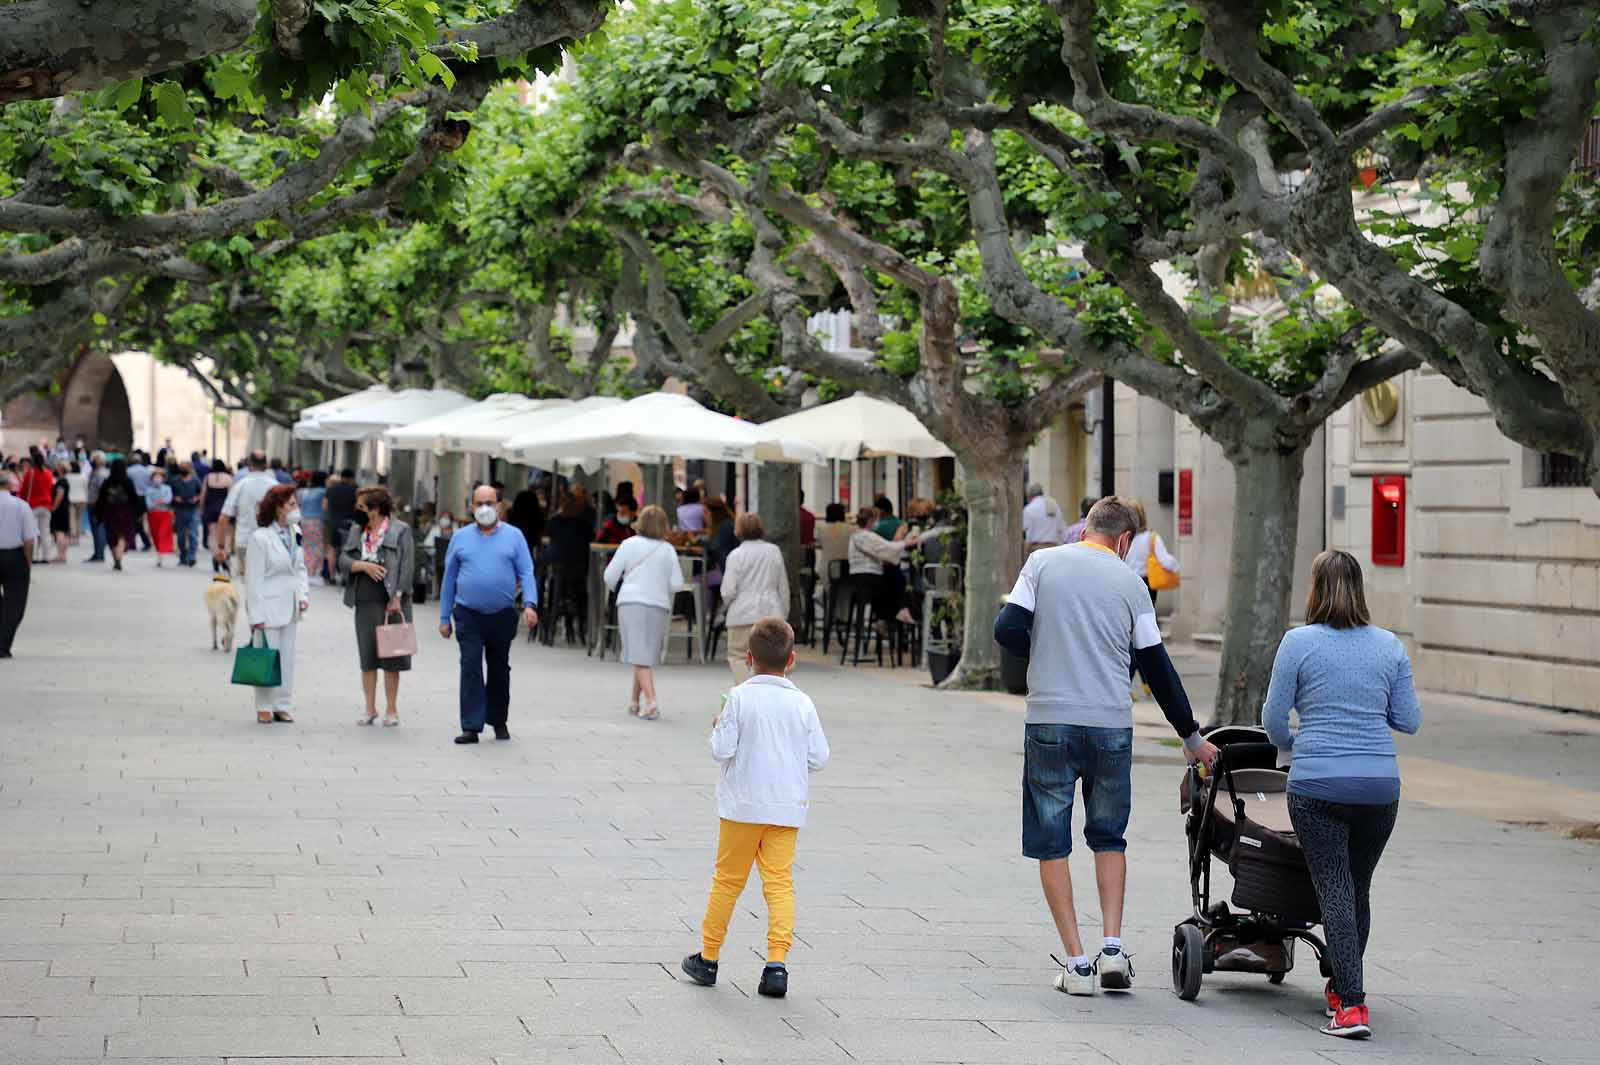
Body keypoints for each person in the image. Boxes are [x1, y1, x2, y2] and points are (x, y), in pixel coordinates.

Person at [991, 496, 1218, 997]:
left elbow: (1006, 629)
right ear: (1123, 541)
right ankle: (1112, 949)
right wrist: (1190, 736)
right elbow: (1157, 666)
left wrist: (1047, 647)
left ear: (1084, 529)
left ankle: (1076, 963)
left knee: (1053, 840)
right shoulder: (1132, 584)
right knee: (1109, 836)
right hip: (1111, 726)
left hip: (1050, 719)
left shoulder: (1043, 563)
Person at [1261, 550, 1422, 1040]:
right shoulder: (1390, 646)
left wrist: (1294, 744)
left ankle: (1351, 1003)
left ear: (1314, 590)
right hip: (1379, 787)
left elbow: (1272, 718)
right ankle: (1340, 985)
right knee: (1357, 886)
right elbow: (1409, 720)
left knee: (1333, 888)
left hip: (1317, 784)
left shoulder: (1298, 642)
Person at [680, 617, 829, 999]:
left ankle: (709, 957)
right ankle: (776, 965)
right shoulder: (802, 703)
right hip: (785, 810)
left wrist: (718, 725)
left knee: (728, 882)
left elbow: (721, 750)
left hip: (742, 808)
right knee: (779, 885)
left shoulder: (739, 697)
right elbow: (819, 757)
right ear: (791, 660)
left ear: (749, 658)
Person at [438, 484, 537, 745]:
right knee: (470, 666)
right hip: (467, 613)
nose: (485, 508)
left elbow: (526, 571)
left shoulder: (514, 536)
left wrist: (530, 604)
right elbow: (448, 579)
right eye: (479, 503)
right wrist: (444, 617)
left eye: (489, 502)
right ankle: (471, 725)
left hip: (502, 613)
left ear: (499, 506)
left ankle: (499, 720)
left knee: (499, 668)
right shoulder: (460, 538)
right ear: (471, 507)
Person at [342, 486, 415, 728]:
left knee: (392, 656)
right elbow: (344, 559)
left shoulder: (400, 530)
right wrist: (362, 566)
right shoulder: (357, 530)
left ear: (376, 509)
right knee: (368, 656)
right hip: (363, 598)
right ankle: (369, 708)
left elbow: (407, 565)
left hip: (390, 600)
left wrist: (398, 596)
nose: (358, 511)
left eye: (362, 507)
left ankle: (391, 709)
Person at [603, 504, 683, 721]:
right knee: (644, 654)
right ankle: (634, 700)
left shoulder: (629, 544)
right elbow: (677, 583)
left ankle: (651, 702)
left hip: (631, 602)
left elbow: (610, 575)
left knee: (639, 655)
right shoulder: (668, 550)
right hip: (658, 605)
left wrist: (619, 588)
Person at [243, 484, 310, 724]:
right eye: (291, 504)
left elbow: (300, 568)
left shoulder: (295, 532)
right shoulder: (260, 538)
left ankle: (283, 704)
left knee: (287, 658)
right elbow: (253, 579)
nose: (296, 509)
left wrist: (303, 596)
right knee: (267, 657)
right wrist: (255, 616)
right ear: (278, 508)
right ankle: (264, 704)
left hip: (290, 606)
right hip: (268, 607)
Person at [718, 513, 790, 684]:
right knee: (772, 660)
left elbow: (728, 590)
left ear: (738, 531)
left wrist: (726, 607)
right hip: (771, 612)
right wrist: (784, 613)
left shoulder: (735, 555)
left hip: (741, 614)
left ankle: (747, 692)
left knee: (738, 656)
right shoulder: (774, 551)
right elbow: (783, 586)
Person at [848, 507, 916, 629]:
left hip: (856, 578)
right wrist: (906, 543)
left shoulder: (855, 536)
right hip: (869, 579)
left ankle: (888, 617)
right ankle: (897, 612)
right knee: (895, 575)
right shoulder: (869, 536)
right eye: (875, 520)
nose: (877, 523)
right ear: (870, 521)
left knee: (892, 579)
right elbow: (888, 547)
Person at [215, 452, 280, 579]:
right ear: (266, 465)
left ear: (249, 465)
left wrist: (221, 546)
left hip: (245, 541)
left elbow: (223, 518)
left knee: (248, 582)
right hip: (271, 542)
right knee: (267, 581)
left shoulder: (241, 485)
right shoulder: (275, 486)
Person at [545, 491, 594, 644]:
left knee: (556, 591)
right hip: (579, 570)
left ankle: (551, 629)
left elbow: (547, 538)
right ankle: (581, 626)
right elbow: (590, 541)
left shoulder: (554, 522)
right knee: (580, 595)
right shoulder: (583, 524)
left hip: (557, 569)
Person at [0, 471, 37, 658]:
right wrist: (28, 562)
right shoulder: (21, 506)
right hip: (14, 555)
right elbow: (29, 540)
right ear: (9, 486)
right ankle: (4, 644)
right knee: (15, 603)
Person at [1122, 498, 1180, 608]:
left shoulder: (1121, 539)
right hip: (1146, 585)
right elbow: (1165, 560)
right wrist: (1178, 567)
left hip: (1126, 583)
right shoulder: (1151, 538)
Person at [95, 459, 140, 571]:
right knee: (124, 534)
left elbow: (101, 499)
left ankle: (116, 558)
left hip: (110, 511)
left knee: (112, 536)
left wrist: (98, 513)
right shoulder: (128, 481)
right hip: (125, 511)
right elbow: (134, 498)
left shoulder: (107, 482)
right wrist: (138, 513)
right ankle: (120, 553)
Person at [322, 469, 359, 583]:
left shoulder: (331, 489)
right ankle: (344, 577)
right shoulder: (355, 490)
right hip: (349, 524)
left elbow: (324, 506)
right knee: (347, 551)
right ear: (352, 478)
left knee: (333, 549)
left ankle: (332, 576)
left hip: (333, 523)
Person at [19, 452, 54, 563]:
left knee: (32, 532)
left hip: (33, 505)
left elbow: (24, 489)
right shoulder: (48, 473)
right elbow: (51, 489)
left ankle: (33, 556)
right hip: (46, 505)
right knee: (45, 532)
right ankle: (46, 556)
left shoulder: (30, 473)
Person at [201, 459, 234, 571]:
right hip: (225, 509)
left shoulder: (208, 477)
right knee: (227, 534)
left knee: (213, 533)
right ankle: (226, 554)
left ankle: (216, 555)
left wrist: (201, 508)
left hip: (210, 508)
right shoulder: (228, 478)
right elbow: (231, 495)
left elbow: (203, 493)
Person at [170, 461, 202, 567]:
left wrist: (196, 499)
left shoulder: (195, 480)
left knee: (193, 534)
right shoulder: (175, 480)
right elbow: (171, 493)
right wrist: (175, 498)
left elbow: (200, 493)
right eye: (182, 467)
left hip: (193, 509)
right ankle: (183, 556)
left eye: (185, 467)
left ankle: (192, 556)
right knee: (181, 536)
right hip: (180, 510)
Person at [1022, 484, 1069, 556]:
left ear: (1029, 496)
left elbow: (1024, 529)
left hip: (1036, 549)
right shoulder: (1053, 505)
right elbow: (1062, 529)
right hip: (1053, 548)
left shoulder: (1029, 509)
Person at [297, 471, 328, 581]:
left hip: (304, 521)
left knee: (306, 547)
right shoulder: (323, 492)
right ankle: (312, 573)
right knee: (316, 547)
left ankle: (305, 571)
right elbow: (325, 507)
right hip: (317, 521)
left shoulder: (304, 492)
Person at [144, 467, 176, 567]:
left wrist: (159, 502)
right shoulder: (149, 489)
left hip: (165, 513)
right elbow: (148, 503)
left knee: (162, 533)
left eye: (159, 477)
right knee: (155, 534)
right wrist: (157, 503)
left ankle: (161, 555)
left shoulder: (167, 488)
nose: (157, 479)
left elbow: (168, 499)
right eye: (155, 477)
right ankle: (159, 553)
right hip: (153, 514)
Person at [84, 452, 111, 563]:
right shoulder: (93, 472)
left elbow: (102, 491)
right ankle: (97, 552)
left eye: (95, 459)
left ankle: (100, 553)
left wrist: (97, 502)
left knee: (99, 529)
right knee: (95, 530)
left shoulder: (101, 474)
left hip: (97, 504)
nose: (93, 462)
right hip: (92, 503)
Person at [506, 488, 545, 559]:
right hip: (530, 543)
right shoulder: (538, 514)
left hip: (513, 544)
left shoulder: (511, 513)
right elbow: (541, 529)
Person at [816, 502, 853, 576]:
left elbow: (820, 544)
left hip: (826, 567)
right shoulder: (851, 529)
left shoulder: (821, 528)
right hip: (846, 567)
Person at [126, 451, 153, 551]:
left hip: (133, 498)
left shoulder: (129, 471)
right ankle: (139, 542)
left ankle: (135, 542)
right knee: (139, 521)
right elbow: (150, 484)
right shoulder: (146, 471)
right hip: (143, 498)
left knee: (134, 521)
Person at [49, 461, 71, 563]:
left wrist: (54, 507)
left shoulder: (61, 482)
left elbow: (59, 495)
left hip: (60, 508)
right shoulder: (65, 481)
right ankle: (63, 555)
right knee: (65, 532)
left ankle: (60, 555)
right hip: (65, 507)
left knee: (59, 532)